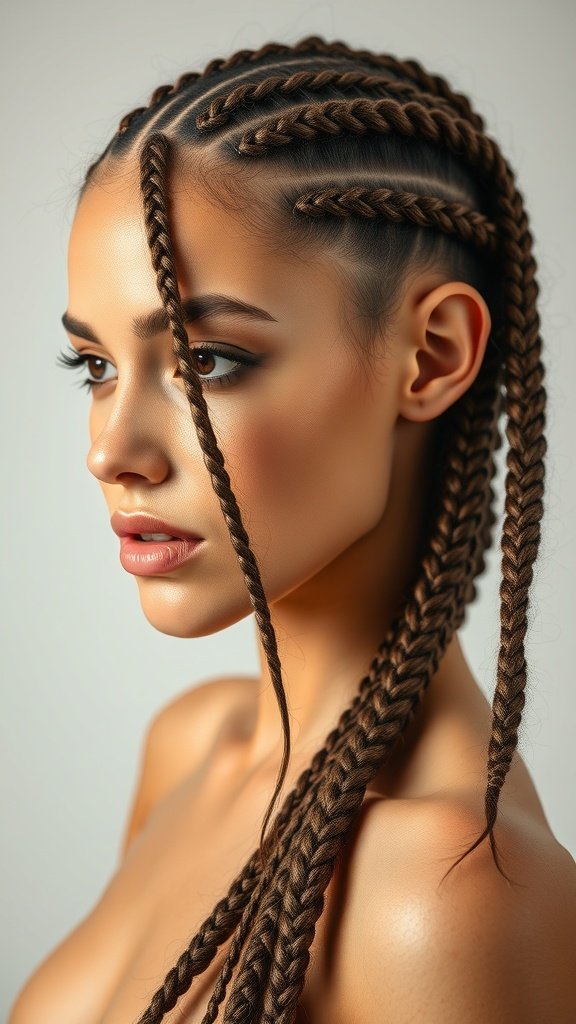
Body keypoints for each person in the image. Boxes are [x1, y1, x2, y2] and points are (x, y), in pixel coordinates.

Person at [9, 33, 575, 1024]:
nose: (113, 450)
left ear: (434, 356)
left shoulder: (451, 900)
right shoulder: (190, 747)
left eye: (211, 360)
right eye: (95, 366)